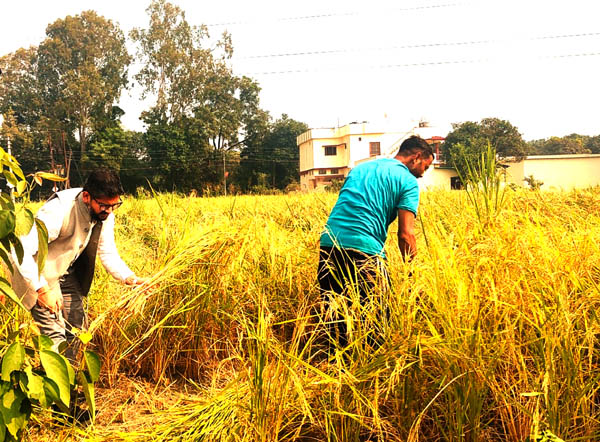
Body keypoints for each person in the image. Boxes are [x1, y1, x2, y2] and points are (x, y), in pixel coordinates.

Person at [11, 168, 147, 362]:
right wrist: (41, 290)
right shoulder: (59, 210)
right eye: (103, 205)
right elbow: (22, 250)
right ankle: (55, 387)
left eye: (114, 205)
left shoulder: (105, 213)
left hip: (63, 273)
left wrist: (130, 278)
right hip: (34, 273)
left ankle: (70, 384)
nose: (108, 211)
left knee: (77, 330)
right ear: (86, 196)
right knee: (55, 336)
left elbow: (107, 251)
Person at [317, 135, 434, 348]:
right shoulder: (408, 181)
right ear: (416, 157)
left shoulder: (360, 169)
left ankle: (334, 371)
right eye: (425, 167)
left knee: (335, 320)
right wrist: (412, 272)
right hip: (365, 250)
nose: (422, 174)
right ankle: (372, 374)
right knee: (378, 320)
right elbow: (405, 234)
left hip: (328, 244)